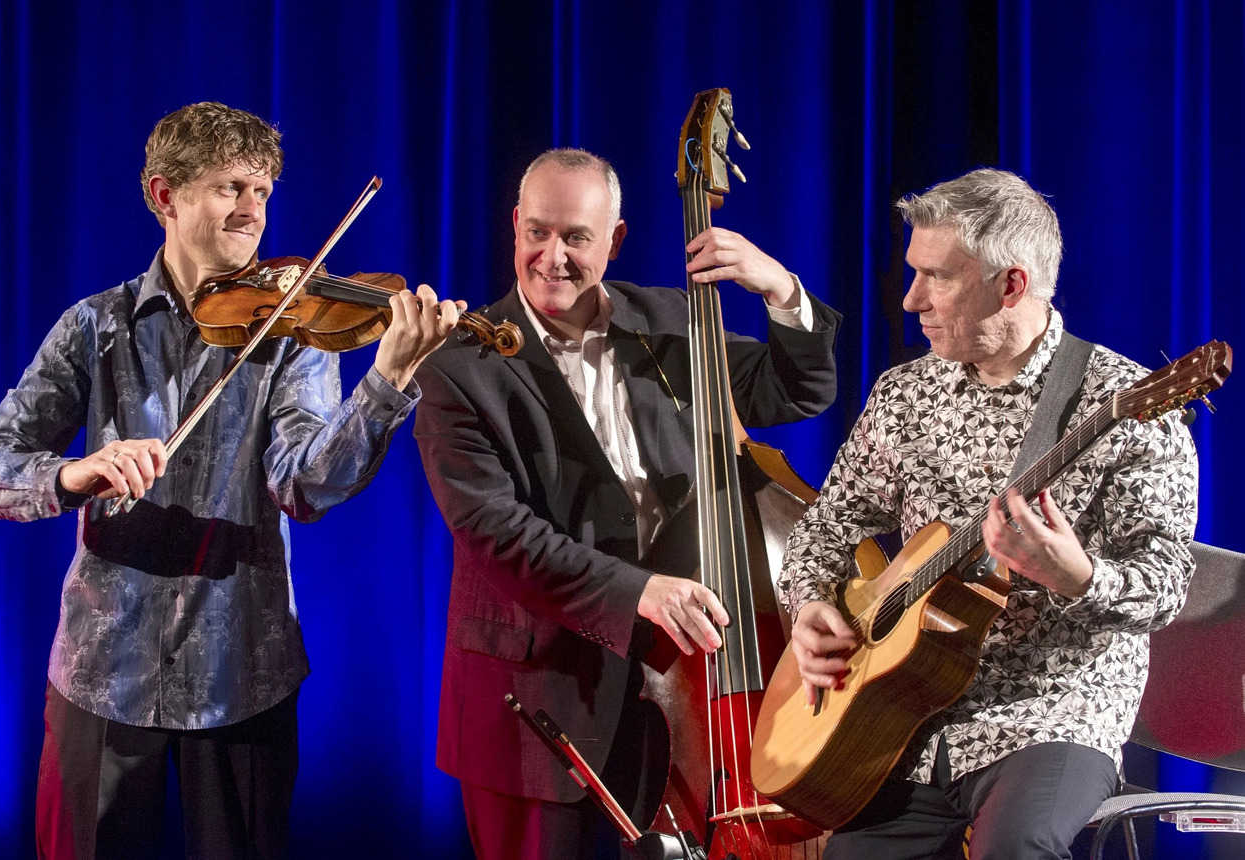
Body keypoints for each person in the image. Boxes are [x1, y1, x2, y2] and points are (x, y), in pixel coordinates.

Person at [0, 101, 461, 860]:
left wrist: (386, 381)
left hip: (242, 676)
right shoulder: (95, 327)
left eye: (262, 192)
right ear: (165, 195)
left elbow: (306, 486)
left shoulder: (293, 334)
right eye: (231, 188)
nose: (253, 211)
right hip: (102, 671)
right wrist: (73, 472)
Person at [412, 147, 842, 859]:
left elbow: (794, 390)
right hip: (538, 697)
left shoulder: (671, 320)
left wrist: (781, 291)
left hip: (678, 695)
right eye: (537, 232)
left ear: (614, 241)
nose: (552, 257)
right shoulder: (458, 365)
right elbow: (495, 532)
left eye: (576, 237)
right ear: (514, 226)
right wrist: (639, 591)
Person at [779, 168, 1198, 859]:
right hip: (903, 713)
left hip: (1051, 711)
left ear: (1011, 285)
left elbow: (1168, 584)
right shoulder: (906, 394)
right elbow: (828, 525)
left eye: (937, 277)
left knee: (1016, 847)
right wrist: (809, 605)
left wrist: (1079, 577)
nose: (910, 299)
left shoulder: (1129, 406)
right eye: (913, 272)